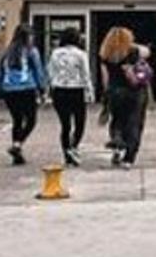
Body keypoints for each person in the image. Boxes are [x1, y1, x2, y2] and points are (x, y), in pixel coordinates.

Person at [0, 23, 46, 165]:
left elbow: (0, 72)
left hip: (9, 91)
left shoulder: (6, 52)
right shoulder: (31, 51)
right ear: (27, 37)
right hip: (26, 88)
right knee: (31, 120)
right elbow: (38, 70)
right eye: (31, 36)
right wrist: (42, 89)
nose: (32, 38)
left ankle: (16, 153)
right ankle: (17, 145)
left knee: (17, 120)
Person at [47, 27, 93, 167]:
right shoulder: (80, 54)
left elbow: (50, 72)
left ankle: (67, 153)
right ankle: (74, 146)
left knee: (65, 124)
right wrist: (90, 92)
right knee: (80, 122)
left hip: (59, 90)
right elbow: (86, 74)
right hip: (76, 90)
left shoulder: (55, 53)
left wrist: (50, 89)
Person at [98, 26, 142, 169]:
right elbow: (132, 76)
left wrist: (107, 94)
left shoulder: (105, 54)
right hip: (132, 93)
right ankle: (129, 158)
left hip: (115, 92)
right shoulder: (132, 52)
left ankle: (117, 144)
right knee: (134, 123)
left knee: (117, 121)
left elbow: (105, 78)